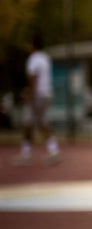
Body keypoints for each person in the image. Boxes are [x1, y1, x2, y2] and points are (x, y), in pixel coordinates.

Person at [15, 32, 60, 165]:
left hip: (37, 94)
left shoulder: (33, 59)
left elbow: (33, 78)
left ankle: (26, 154)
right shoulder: (45, 58)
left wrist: (29, 95)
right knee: (42, 122)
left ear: (33, 45)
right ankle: (54, 151)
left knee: (28, 123)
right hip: (46, 93)